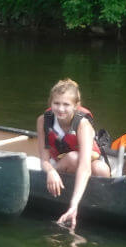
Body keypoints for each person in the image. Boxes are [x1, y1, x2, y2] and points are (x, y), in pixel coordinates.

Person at [36, 78, 111, 230]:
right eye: (56, 103)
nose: (61, 109)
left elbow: (85, 167)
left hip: (83, 163)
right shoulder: (43, 121)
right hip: (62, 163)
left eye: (66, 105)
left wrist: (74, 205)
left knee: (102, 170)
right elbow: (44, 159)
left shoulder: (83, 125)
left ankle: (83, 196)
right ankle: (60, 186)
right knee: (72, 157)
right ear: (50, 103)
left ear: (76, 106)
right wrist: (50, 171)